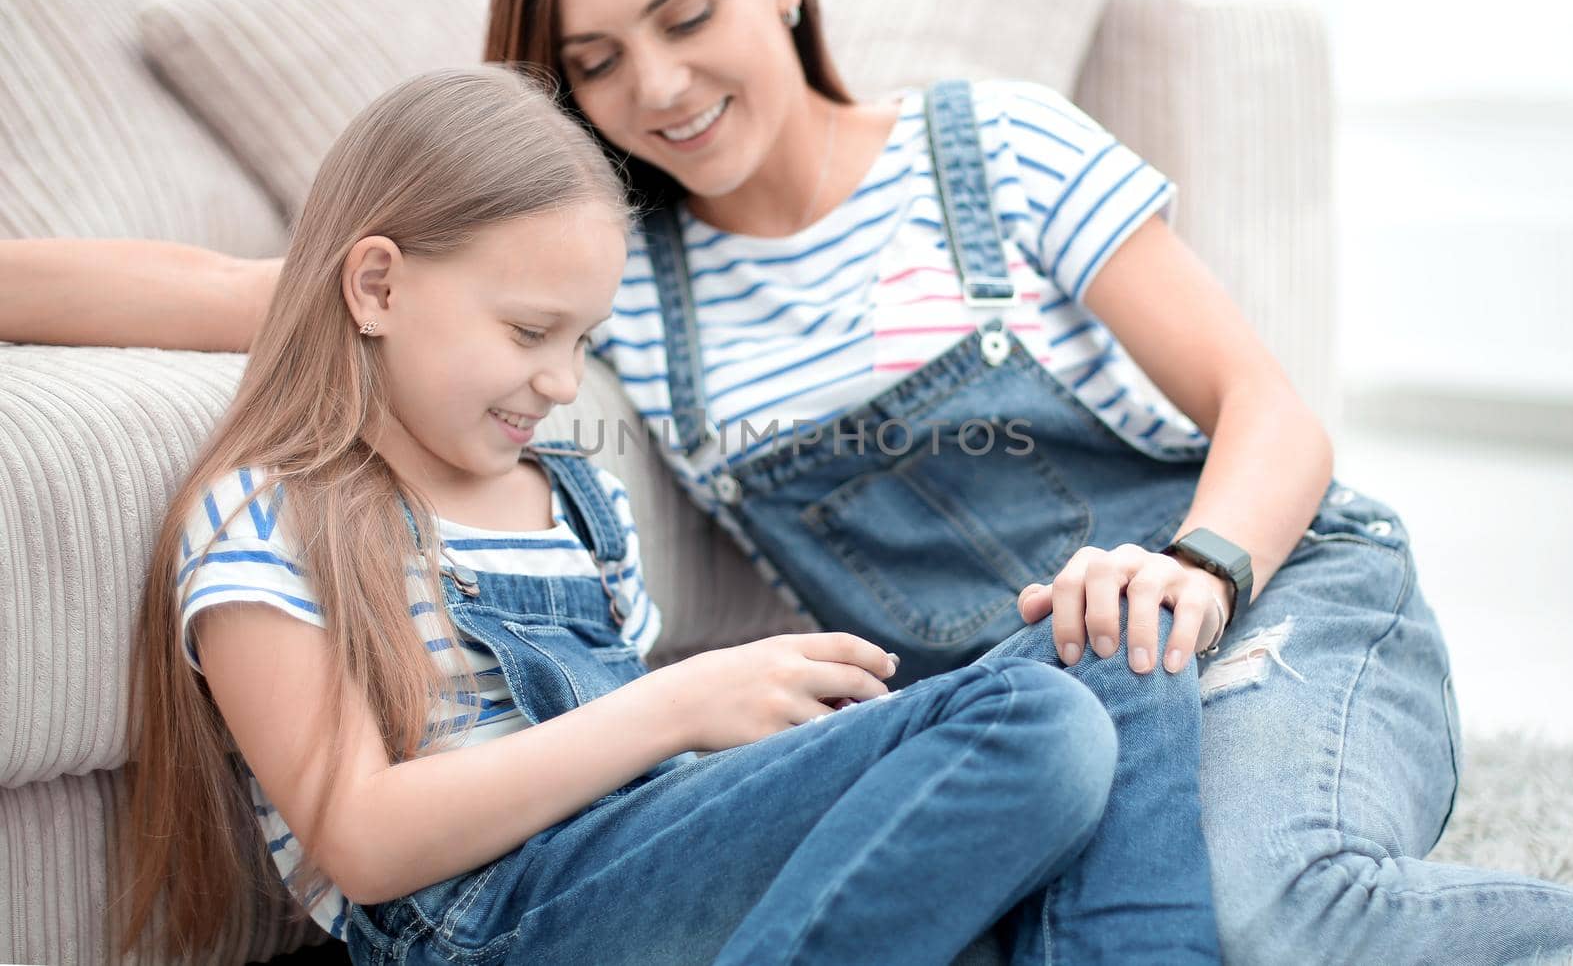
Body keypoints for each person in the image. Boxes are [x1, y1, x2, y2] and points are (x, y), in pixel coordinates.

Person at [5, 0, 1573, 962]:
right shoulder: (612, 281)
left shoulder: (997, 149)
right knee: (1058, 787)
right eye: (596, 62)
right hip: (1042, 673)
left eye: (686, 12)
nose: (661, 85)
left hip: (1264, 592)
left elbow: (1272, 412)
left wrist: (1195, 562)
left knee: (1272, 913)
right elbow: (261, 289)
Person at [114, 66, 1223, 965]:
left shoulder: (572, 497)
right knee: (1034, 726)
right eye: (527, 330)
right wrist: (681, 701)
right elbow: (359, 839)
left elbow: (661, 813)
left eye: (581, 340)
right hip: (491, 920)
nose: (559, 381)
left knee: (1120, 641)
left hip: (648, 855)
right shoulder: (269, 511)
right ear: (377, 287)